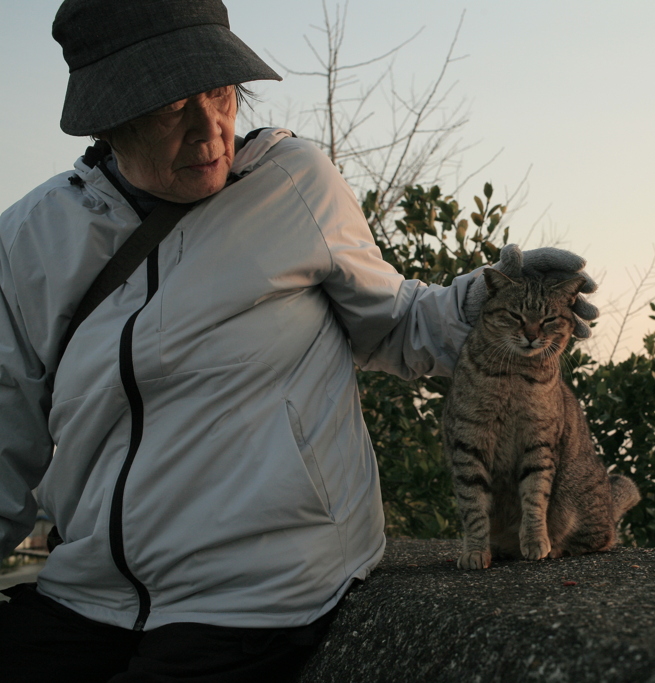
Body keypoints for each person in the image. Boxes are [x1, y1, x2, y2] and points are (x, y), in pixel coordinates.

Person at [0, 1, 596, 681]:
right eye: (173, 108)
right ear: (112, 119)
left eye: (219, 93)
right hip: (89, 593)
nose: (210, 133)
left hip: (263, 590)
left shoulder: (294, 182)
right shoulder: (30, 241)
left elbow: (397, 324)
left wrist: (485, 303)